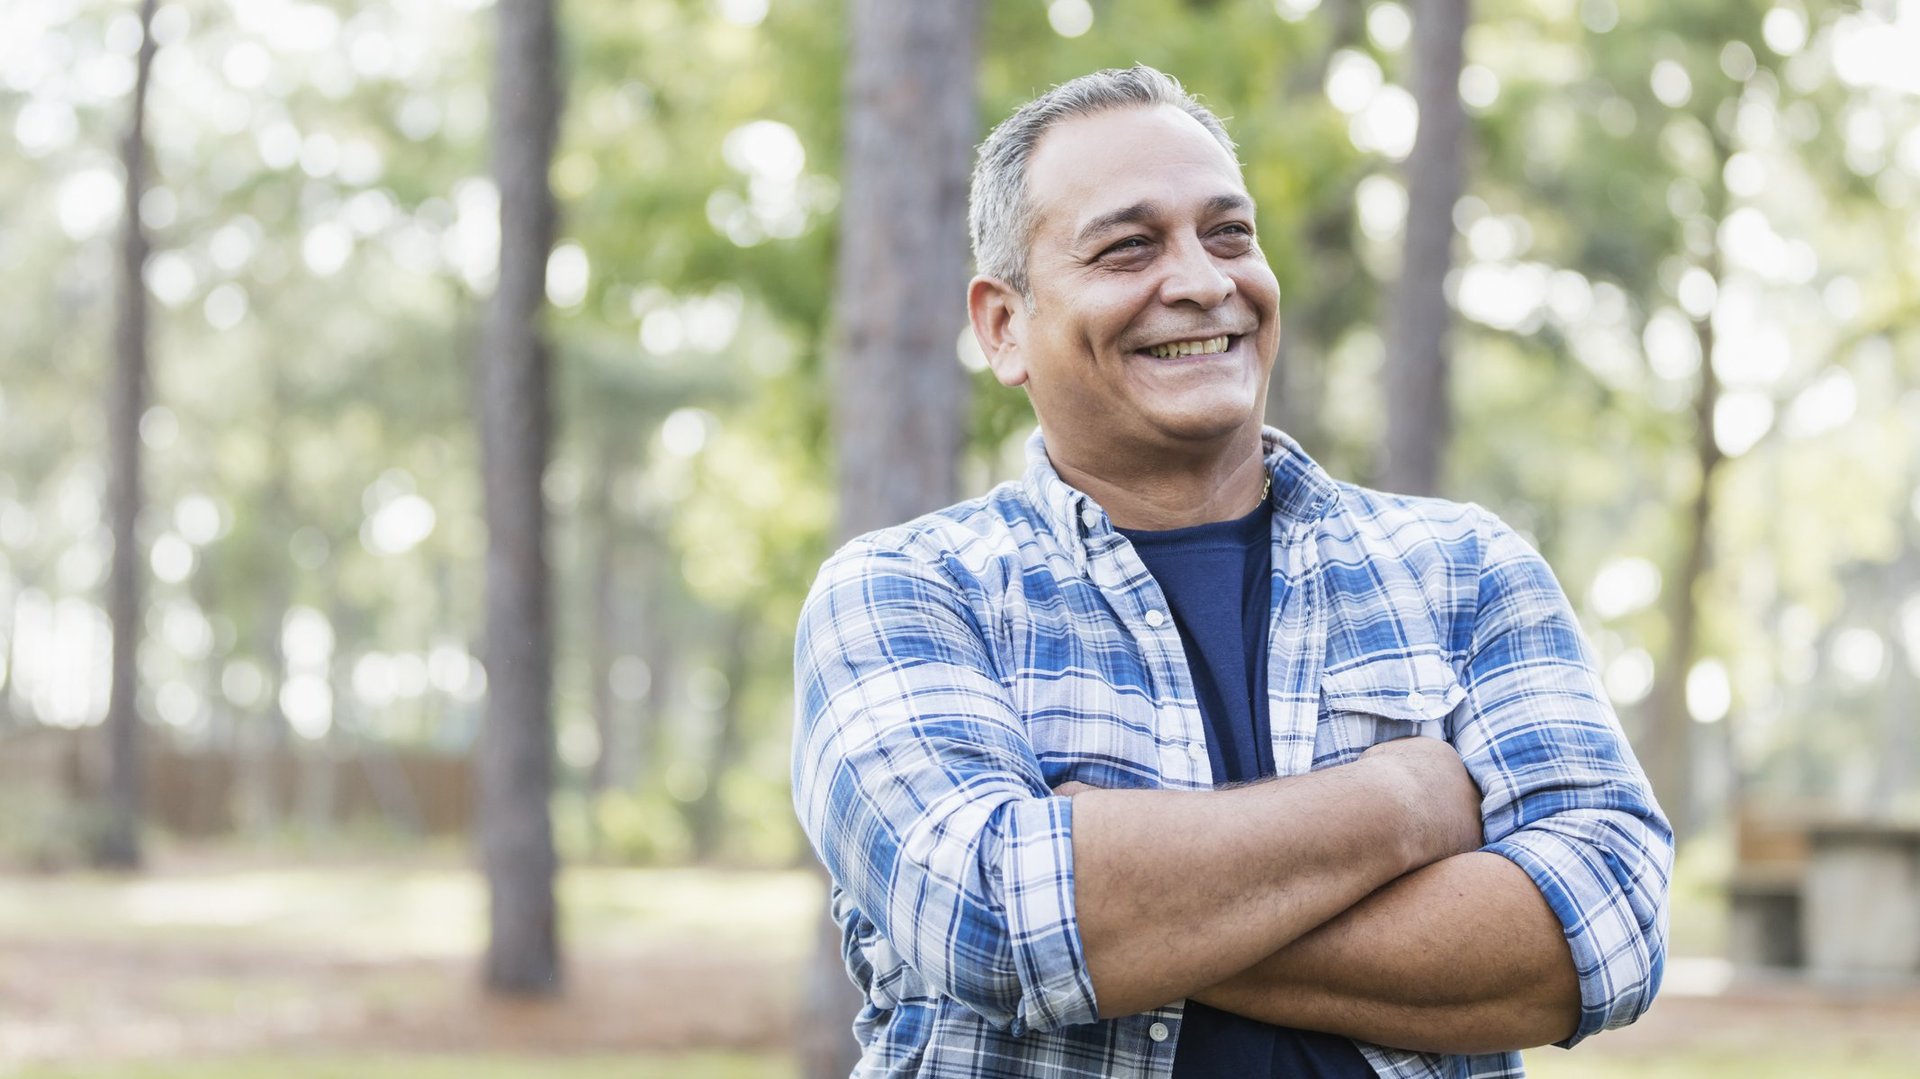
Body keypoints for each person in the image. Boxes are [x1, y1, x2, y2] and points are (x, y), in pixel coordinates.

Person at [792, 65, 1670, 1078]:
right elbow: (988, 915)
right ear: (1002, 325)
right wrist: (1404, 805)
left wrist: (1122, 892)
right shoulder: (905, 592)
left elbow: (1603, 925)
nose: (1205, 282)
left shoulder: (1465, 575)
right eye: (1128, 246)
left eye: (1228, 234)